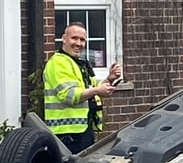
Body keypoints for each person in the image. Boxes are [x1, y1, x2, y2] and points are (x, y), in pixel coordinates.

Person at [43, 22, 123, 153]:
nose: (78, 43)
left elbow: (90, 86)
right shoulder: (58, 62)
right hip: (67, 133)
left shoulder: (77, 63)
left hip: (82, 129)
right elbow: (69, 95)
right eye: (74, 38)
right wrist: (97, 90)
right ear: (64, 38)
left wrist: (110, 78)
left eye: (82, 40)